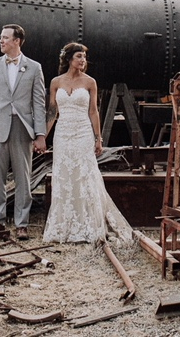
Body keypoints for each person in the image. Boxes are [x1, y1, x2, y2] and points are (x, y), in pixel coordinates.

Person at [42, 42, 133, 245]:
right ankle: (63, 226)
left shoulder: (90, 82)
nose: (83, 61)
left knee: (85, 174)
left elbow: (93, 111)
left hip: (83, 132)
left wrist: (98, 137)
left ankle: (88, 224)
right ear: (69, 60)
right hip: (63, 133)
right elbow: (51, 112)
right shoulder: (56, 82)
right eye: (79, 57)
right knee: (64, 175)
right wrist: (42, 137)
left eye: (84, 57)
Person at [0, 23, 47, 241]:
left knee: (23, 179)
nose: (1, 41)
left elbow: (39, 103)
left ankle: (22, 224)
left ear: (17, 41)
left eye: (5, 38)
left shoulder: (34, 68)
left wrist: (40, 135)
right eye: (1, 37)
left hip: (22, 129)